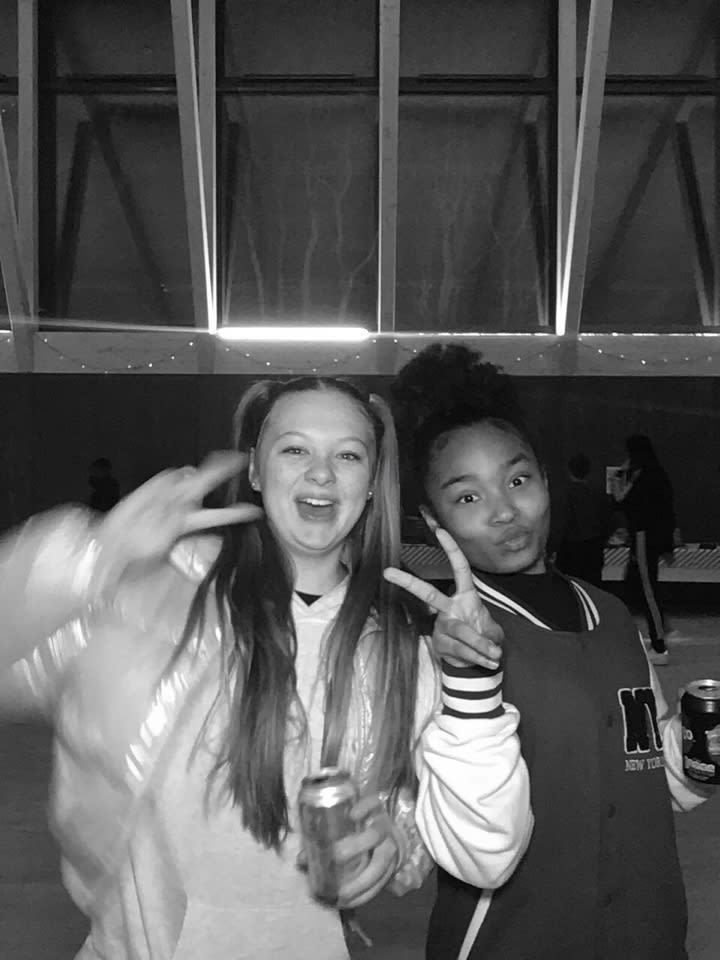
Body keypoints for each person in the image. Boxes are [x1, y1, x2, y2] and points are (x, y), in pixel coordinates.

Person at [0, 375, 531, 960]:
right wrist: (94, 558)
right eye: (295, 449)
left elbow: (422, 822)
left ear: (372, 484)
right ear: (255, 469)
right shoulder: (159, 589)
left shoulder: (402, 651)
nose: (321, 474)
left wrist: (395, 843)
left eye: (348, 456)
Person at [387, 345, 712, 960]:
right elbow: (464, 851)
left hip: (649, 936)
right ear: (433, 520)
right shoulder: (439, 648)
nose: (505, 511)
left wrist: (699, 747)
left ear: (544, 477)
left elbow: (652, 775)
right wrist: (465, 680)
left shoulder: (611, 616)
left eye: (517, 480)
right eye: (467, 497)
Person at [611, 434, 676, 665]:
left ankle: (659, 645)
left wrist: (620, 477)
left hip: (643, 537)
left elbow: (622, 502)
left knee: (648, 590)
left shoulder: (644, 477)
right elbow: (668, 511)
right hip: (651, 537)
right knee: (636, 584)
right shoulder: (658, 474)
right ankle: (660, 627)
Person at [554, 452, 612, 588]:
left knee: (570, 586)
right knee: (593, 585)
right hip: (594, 546)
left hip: (571, 547)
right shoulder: (598, 492)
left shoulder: (566, 493)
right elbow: (608, 519)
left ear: (569, 470)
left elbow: (562, 521)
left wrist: (554, 545)